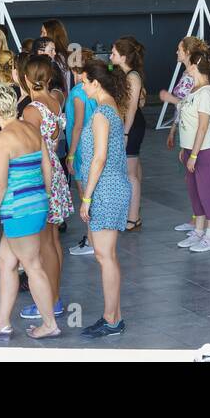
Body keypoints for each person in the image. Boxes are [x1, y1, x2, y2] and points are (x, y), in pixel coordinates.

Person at [0, 83, 59, 341]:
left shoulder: (0, 140)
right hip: (35, 204)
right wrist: (43, 196)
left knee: (33, 266)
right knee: (6, 263)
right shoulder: (31, 129)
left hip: (18, 210)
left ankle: (50, 324)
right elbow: (48, 167)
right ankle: (2, 322)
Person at [76, 61, 134, 338]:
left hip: (106, 189)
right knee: (106, 256)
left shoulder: (101, 113)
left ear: (96, 84)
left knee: (104, 256)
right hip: (110, 187)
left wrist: (86, 197)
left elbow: (99, 158)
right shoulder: (111, 109)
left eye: (84, 81)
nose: (82, 86)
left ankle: (111, 320)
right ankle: (114, 316)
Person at [16, 55, 71, 318]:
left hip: (40, 174)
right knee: (53, 241)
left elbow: (28, 147)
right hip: (56, 171)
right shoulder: (57, 100)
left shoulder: (31, 110)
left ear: (26, 78)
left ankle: (48, 301)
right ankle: (55, 298)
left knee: (44, 244)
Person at [174, 48, 210, 253]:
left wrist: (193, 154)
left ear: (194, 66)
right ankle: (199, 230)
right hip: (190, 148)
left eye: (189, 65)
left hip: (203, 150)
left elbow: (202, 127)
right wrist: (184, 149)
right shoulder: (192, 88)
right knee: (194, 192)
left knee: (206, 191)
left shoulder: (206, 92)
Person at [161, 36, 207, 237]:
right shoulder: (185, 74)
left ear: (188, 52)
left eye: (179, 49)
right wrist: (173, 130)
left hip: (193, 132)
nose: (177, 52)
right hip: (184, 131)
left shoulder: (194, 77)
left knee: (198, 178)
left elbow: (187, 105)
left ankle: (201, 221)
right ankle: (195, 217)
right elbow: (181, 107)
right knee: (190, 179)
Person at [110, 36, 148, 231]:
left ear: (124, 57)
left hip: (131, 125)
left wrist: (125, 133)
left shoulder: (132, 77)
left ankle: (133, 218)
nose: (110, 56)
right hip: (126, 123)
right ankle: (133, 212)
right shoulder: (122, 73)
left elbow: (132, 108)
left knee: (130, 172)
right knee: (133, 168)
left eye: (114, 53)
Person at [65, 47, 98, 256]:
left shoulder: (78, 92)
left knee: (85, 194)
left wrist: (71, 153)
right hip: (92, 145)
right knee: (89, 192)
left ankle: (92, 240)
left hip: (81, 148)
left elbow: (77, 125)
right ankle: (92, 238)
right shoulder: (94, 90)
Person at [40, 19, 73, 92]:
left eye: (44, 32)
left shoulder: (56, 58)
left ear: (52, 35)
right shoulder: (65, 56)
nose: (41, 36)